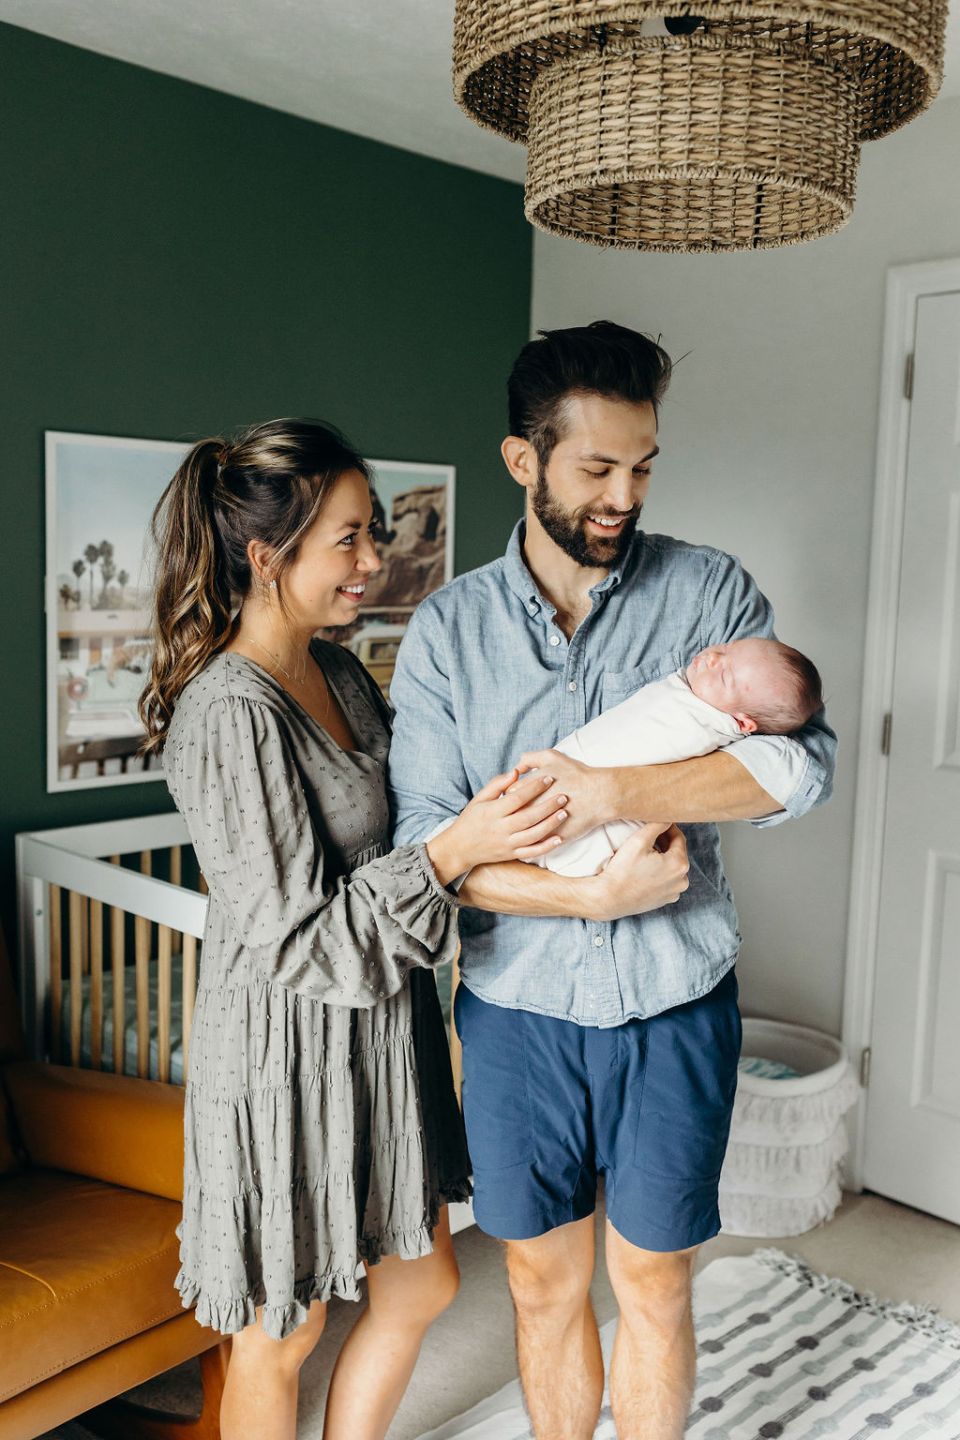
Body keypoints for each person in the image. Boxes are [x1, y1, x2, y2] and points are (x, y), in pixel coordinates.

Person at [387, 323, 837, 1440]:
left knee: (655, 1283)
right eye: (596, 467)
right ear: (522, 460)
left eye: (642, 466)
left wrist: (614, 797)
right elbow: (434, 848)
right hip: (518, 1017)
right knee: (540, 1287)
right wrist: (585, 897)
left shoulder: (709, 592)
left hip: (673, 1007)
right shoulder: (448, 634)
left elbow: (799, 768)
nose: (622, 494)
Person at [137, 418, 603, 1440]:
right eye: (348, 538)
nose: (373, 559)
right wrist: (447, 855)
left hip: (380, 1031)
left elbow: (412, 818)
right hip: (286, 1047)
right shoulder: (228, 712)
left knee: (421, 1281)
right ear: (267, 556)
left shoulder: (341, 674)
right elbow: (298, 934)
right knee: (280, 1333)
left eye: (372, 533)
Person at [429, 634, 824, 879]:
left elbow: (800, 768)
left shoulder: (707, 724)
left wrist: (605, 793)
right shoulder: (693, 689)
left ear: (742, 723)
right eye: (723, 649)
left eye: (726, 676)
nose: (713, 659)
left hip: (589, 835)